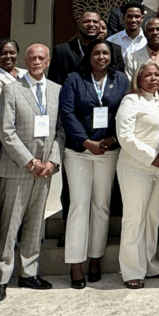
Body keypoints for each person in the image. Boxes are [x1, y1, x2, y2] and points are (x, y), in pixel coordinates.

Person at [0, 44, 62, 302]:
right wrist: (29, 161)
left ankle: (29, 272)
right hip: (18, 168)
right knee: (10, 225)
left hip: (45, 170)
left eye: (41, 57)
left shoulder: (56, 90)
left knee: (35, 223)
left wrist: (52, 162)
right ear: (25, 60)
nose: (37, 61)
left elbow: (60, 132)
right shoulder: (12, 89)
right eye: (32, 57)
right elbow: (6, 131)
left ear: (48, 61)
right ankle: (1, 278)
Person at [59, 39, 129, 288]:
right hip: (79, 152)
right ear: (88, 56)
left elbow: (125, 112)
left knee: (102, 205)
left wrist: (111, 139)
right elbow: (66, 113)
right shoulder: (74, 79)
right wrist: (86, 142)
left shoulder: (121, 79)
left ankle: (95, 258)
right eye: (97, 53)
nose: (101, 57)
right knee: (79, 205)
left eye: (106, 53)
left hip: (108, 150)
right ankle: (75, 264)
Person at [115, 62, 159, 289]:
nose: (153, 78)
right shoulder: (131, 101)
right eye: (148, 75)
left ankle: (149, 264)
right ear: (138, 79)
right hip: (136, 167)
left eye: (157, 74)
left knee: (153, 218)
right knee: (135, 219)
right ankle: (131, 269)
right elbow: (125, 136)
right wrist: (153, 156)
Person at [50, 10, 125, 86]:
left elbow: (120, 81)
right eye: (86, 21)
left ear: (100, 25)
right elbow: (54, 84)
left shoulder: (114, 50)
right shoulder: (62, 51)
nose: (91, 24)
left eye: (95, 22)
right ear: (78, 24)